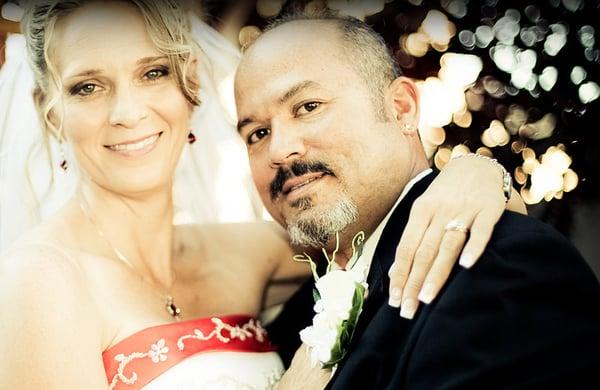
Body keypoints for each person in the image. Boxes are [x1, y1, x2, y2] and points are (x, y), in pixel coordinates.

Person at [0, 1, 522, 389]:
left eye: (152, 73)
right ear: (50, 109)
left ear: (190, 88)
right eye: (87, 87)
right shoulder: (39, 281)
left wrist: (474, 173)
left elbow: (393, 227)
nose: (127, 113)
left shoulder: (252, 252)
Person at [234, 11, 600, 389]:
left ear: (402, 108)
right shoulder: (289, 325)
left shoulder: (497, 264)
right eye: (257, 133)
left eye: (308, 107)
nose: (279, 149)